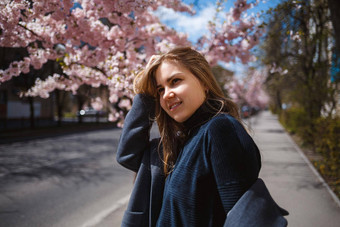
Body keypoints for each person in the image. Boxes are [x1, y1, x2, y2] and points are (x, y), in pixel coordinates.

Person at [116, 47, 285, 227]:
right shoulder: (178, 143)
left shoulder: (219, 130)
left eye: (175, 81)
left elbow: (245, 221)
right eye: (159, 90)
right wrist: (145, 96)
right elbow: (128, 156)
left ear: (204, 82)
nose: (166, 94)